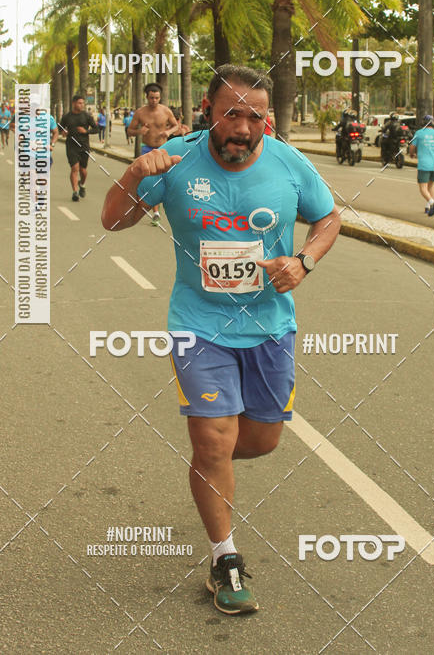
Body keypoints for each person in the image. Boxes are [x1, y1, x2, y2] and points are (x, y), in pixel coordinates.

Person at [102, 64, 340, 615]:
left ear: (268, 120)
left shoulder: (288, 163)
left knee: (259, 442)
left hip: (270, 327)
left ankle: (212, 464)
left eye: (255, 116)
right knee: (212, 443)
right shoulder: (177, 160)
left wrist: (304, 261)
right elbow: (113, 223)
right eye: (232, 113)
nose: (243, 126)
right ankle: (224, 555)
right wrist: (136, 173)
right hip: (198, 324)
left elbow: (328, 219)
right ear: (208, 112)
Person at [127, 83, 179, 225]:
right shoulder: (140, 112)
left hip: (163, 149)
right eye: (151, 98)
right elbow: (130, 130)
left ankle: (158, 208)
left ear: (160, 97)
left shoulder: (166, 111)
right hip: (147, 149)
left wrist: (168, 132)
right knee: (150, 179)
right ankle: (155, 212)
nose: (154, 101)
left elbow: (176, 125)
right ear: (147, 97)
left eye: (156, 98)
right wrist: (139, 132)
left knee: (162, 180)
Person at [59, 94, 99, 202]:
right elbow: (60, 128)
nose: (81, 105)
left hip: (84, 146)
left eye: (83, 103)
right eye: (79, 103)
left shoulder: (86, 116)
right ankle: (75, 192)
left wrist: (86, 131)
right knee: (74, 168)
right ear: (74, 103)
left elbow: (96, 129)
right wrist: (63, 132)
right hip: (71, 146)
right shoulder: (67, 117)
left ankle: (82, 184)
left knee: (83, 170)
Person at [409, 114, 434, 216]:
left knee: (423, 188)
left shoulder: (419, 133)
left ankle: (433, 203)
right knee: (430, 185)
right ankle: (428, 207)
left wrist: (412, 154)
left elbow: (412, 146)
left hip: (424, 165)